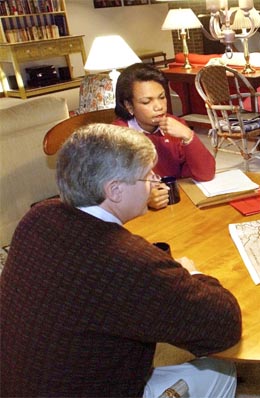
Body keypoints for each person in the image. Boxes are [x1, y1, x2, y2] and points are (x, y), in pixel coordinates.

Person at [0, 124, 242, 397]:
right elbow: (224, 326)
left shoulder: (37, 218)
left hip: (21, 384)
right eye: (147, 175)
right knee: (220, 371)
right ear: (114, 190)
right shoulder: (128, 263)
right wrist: (192, 274)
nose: (155, 179)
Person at [114, 62, 216, 210]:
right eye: (147, 101)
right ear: (129, 106)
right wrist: (144, 198)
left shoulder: (175, 126)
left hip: (178, 206)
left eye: (162, 97)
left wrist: (188, 135)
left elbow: (206, 174)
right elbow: (112, 191)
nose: (159, 106)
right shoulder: (117, 136)